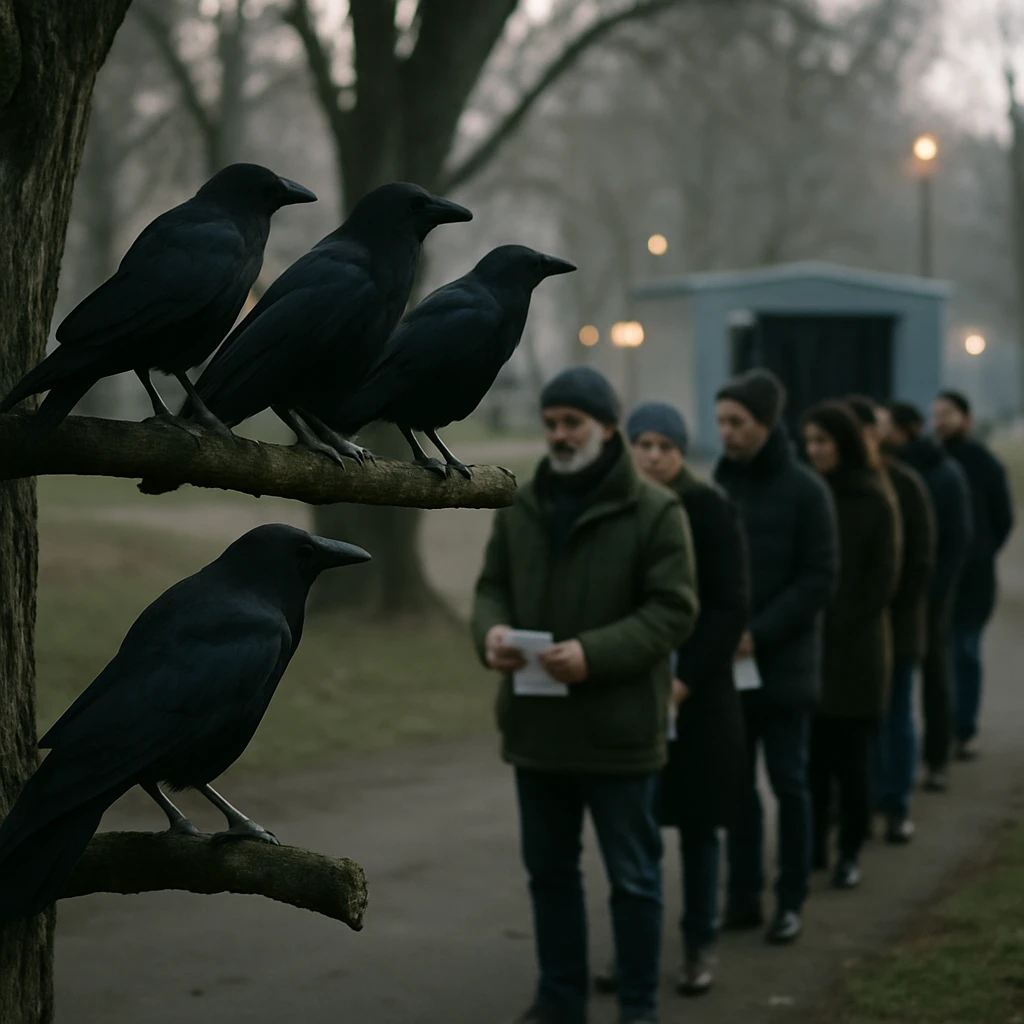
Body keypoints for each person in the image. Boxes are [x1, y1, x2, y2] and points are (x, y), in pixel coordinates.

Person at [472, 366, 700, 1024]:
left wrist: (595, 654)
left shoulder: (657, 510)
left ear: (608, 426)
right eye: (551, 424)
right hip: (536, 729)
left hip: (620, 731)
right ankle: (560, 999)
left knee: (633, 879)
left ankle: (637, 1008)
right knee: (549, 876)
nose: (560, 435)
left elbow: (674, 610)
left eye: (573, 423)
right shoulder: (520, 503)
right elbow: (491, 586)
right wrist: (490, 633)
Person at [596, 401, 748, 996]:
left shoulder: (710, 509)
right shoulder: (619, 505)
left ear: (683, 450)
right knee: (634, 833)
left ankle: (698, 946)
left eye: (665, 445)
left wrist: (684, 685)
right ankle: (634, 951)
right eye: (644, 444)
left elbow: (729, 606)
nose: (654, 455)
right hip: (635, 688)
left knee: (701, 830)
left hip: (701, 696)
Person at [714, 369, 837, 945]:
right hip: (732, 671)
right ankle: (741, 898)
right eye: (721, 422)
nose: (727, 434)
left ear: (765, 424)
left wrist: (757, 633)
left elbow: (818, 579)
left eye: (736, 423)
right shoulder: (721, 483)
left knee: (789, 785)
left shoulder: (807, 491)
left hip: (785, 668)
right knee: (735, 788)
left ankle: (791, 899)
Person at [802, 402, 900, 888]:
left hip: (857, 651)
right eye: (810, 441)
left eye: (823, 441)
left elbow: (883, 580)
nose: (815, 450)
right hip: (812, 650)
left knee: (854, 763)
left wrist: (835, 619)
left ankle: (851, 849)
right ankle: (814, 843)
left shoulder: (873, 500)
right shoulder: (808, 493)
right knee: (813, 762)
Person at [846, 396, 935, 844]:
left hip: (895, 628)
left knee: (896, 716)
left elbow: (919, 560)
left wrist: (885, 606)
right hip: (849, 635)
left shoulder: (904, 484)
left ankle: (896, 805)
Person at [880, 401, 971, 793]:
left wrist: (935, 591)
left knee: (934, 676)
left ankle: (936, 758)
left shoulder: (941, 473)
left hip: (929, 597)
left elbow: (955, 540)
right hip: (899, 598)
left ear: (906, 430)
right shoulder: (891, 470)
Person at [932, 390, 1014, 759]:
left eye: (948, 414)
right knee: (941, 654)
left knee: (965, 650)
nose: (941, 421)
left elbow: (1003, 517)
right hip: (941, 574)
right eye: (937, 415)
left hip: (975, 578)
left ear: (965, 418)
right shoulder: (933, 461)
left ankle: (964, 728)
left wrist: (981, 552)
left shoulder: (984, 463)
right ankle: (943, 727)